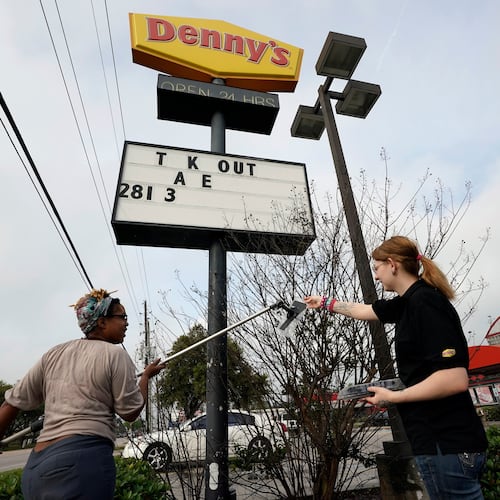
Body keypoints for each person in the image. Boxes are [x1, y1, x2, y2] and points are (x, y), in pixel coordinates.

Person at [304, 235, 487, 500]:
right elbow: (364, 311)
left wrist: (394, 397)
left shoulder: (426, 303)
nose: (376, 276)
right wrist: (324, 303)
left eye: (376, 268)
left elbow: (454, 378)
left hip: (446, 443)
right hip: (440, 444)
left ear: (392, 264)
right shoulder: (408, 303)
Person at [0, 288, 166, 499]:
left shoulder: (53, 354)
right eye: (122, 316)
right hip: (80, 465)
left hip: (35, 470)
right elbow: (130, 412)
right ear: (102, 322)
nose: (126, 322)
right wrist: (145, 378)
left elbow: (10, 404)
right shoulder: (116, 355)